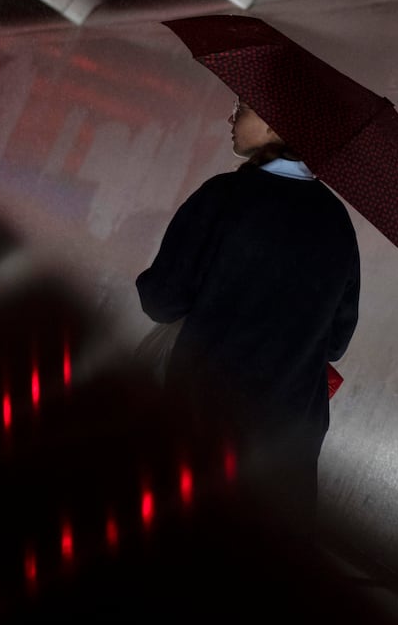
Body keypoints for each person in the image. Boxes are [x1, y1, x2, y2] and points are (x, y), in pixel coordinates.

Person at [135, 99, 359, 525]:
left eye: (242, 107)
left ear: (277, 124)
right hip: (289, 441)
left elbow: (160, 300)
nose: (231, 117)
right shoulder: (336, 220)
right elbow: (335, 342)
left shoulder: (223, 197)